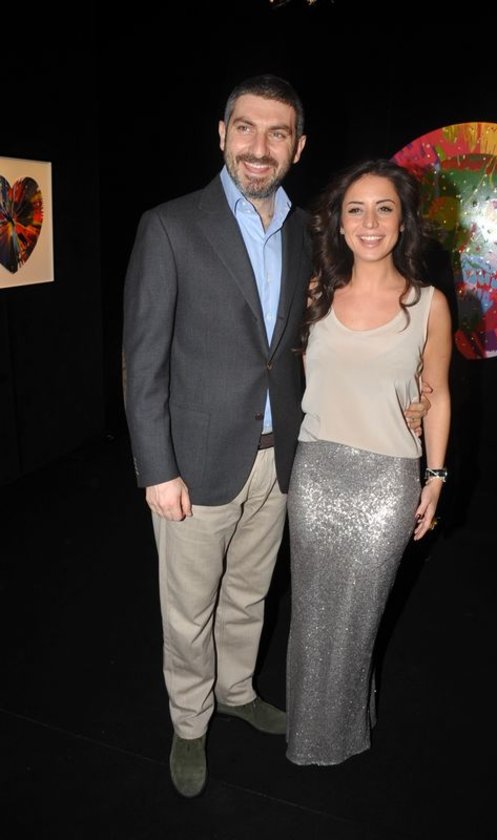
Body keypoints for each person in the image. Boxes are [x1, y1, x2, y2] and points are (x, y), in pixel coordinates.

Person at [123, 77, 429, 798]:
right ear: (221, 133)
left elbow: (338, 333)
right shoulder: (169, 226)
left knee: (250, 595)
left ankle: (235, 691)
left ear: (298, 146)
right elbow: (141, 359)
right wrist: (156, 467)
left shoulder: (310, 233)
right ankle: (190, 722)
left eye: (277, 133)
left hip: (285, 458)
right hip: (194, 462)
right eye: (246, 129)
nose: (259, 147)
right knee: (188, 610)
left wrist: (406, 398)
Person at [285, 158, 452, 766]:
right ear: (340, 222)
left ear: (403, 220)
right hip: (317, 473)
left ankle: (342, 728)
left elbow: (438, 393)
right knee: (311, 613)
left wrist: (435, 477)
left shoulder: (428, 304)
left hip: (387, 482)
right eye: (356, 209)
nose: (370, 222)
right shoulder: (316, 293)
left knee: (360, 616)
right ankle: (311, 730)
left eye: (385, 208)